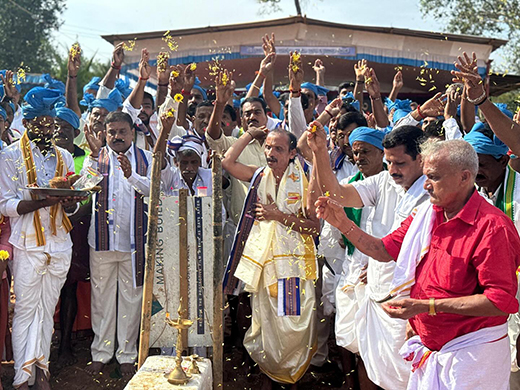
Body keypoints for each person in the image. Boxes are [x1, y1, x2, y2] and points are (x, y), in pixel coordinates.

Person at [317, 138, 520, 389]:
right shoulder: (427, 214)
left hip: (472, 356)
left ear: (464, 177)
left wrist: (427, 307)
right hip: (431, 349)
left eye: (433, 177)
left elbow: (499, 302)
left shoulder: (492, 227)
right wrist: (341, 223)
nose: (425, 185)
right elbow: (382, 250)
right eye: (425, 176)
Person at [308, 123, 430, 389]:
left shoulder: (431, 194)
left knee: (409, 376)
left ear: (421, 159)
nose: (393, 170)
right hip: (377, 295)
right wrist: (318, 151)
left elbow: (386, 251)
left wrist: (343, 224)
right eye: (389, 162)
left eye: (400, 163)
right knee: (372, 366)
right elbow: (338, 194)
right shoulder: (385, 180)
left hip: (411, 303)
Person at [0, 87, 84, 390]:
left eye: (50, 123)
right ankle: (24, 378)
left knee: (47, 310)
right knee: (25, 309)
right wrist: (39, 202)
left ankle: (42, 371)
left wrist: (71, 201)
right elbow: (5, 204)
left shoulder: (63, 156)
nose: (47, 128)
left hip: (60, 243)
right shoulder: (9, 156)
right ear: (28, 122)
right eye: (40, 122)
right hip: (27, 244)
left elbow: (69, 205)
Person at [222, 127, 319, 388]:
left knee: (290, 323)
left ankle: (290, 377)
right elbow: (227, 162)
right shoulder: (259, 175)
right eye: (267, 147)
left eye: (278, 149)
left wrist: (279, 216)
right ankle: (270, 374)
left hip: (292, 267)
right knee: (265, 321)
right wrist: (248, 135)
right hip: (264, 266)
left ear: (291, 154)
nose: (270, 153)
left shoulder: (306, 179)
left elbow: (315, 227)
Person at [83, 111, 170, 377]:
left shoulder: (146, 158)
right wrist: (95, 160)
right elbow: (85, 187)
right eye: (112, 132)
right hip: (101, 241)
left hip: (135, 243)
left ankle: (127, 354)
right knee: (101, 299)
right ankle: (101, 352)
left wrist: (131, 176)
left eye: (122, 132)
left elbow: (155, 190)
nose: (117, 137)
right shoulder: (95, 157)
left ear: (132, 133)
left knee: (132, 300)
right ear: (105, 134)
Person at [53, 105, 93, 368]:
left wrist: (71, 212)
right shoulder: (43, 156)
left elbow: (89, 194)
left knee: (69, 286)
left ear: (76, 132)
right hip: (43, 230)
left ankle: (65, 343)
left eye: (65, 128)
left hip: (74, 228)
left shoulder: (84, 158)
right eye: (56, 127)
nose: (59, 132)